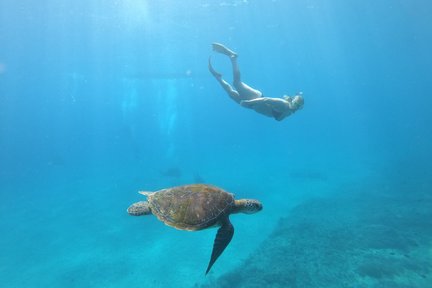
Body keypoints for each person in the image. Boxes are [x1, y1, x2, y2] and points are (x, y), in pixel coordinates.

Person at [208, 42, 304, 121]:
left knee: (231, 94)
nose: (295, 107)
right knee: (236, 83)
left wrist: (250, 104)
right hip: (256, 98)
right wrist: (249, 102)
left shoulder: (289, 112)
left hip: (253, 106)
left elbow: (278, 118)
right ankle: (233, 57)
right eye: (295, 104)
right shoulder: (284, 104)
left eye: (298, 107)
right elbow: (267, 99)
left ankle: (217, 77)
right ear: (292, 101)